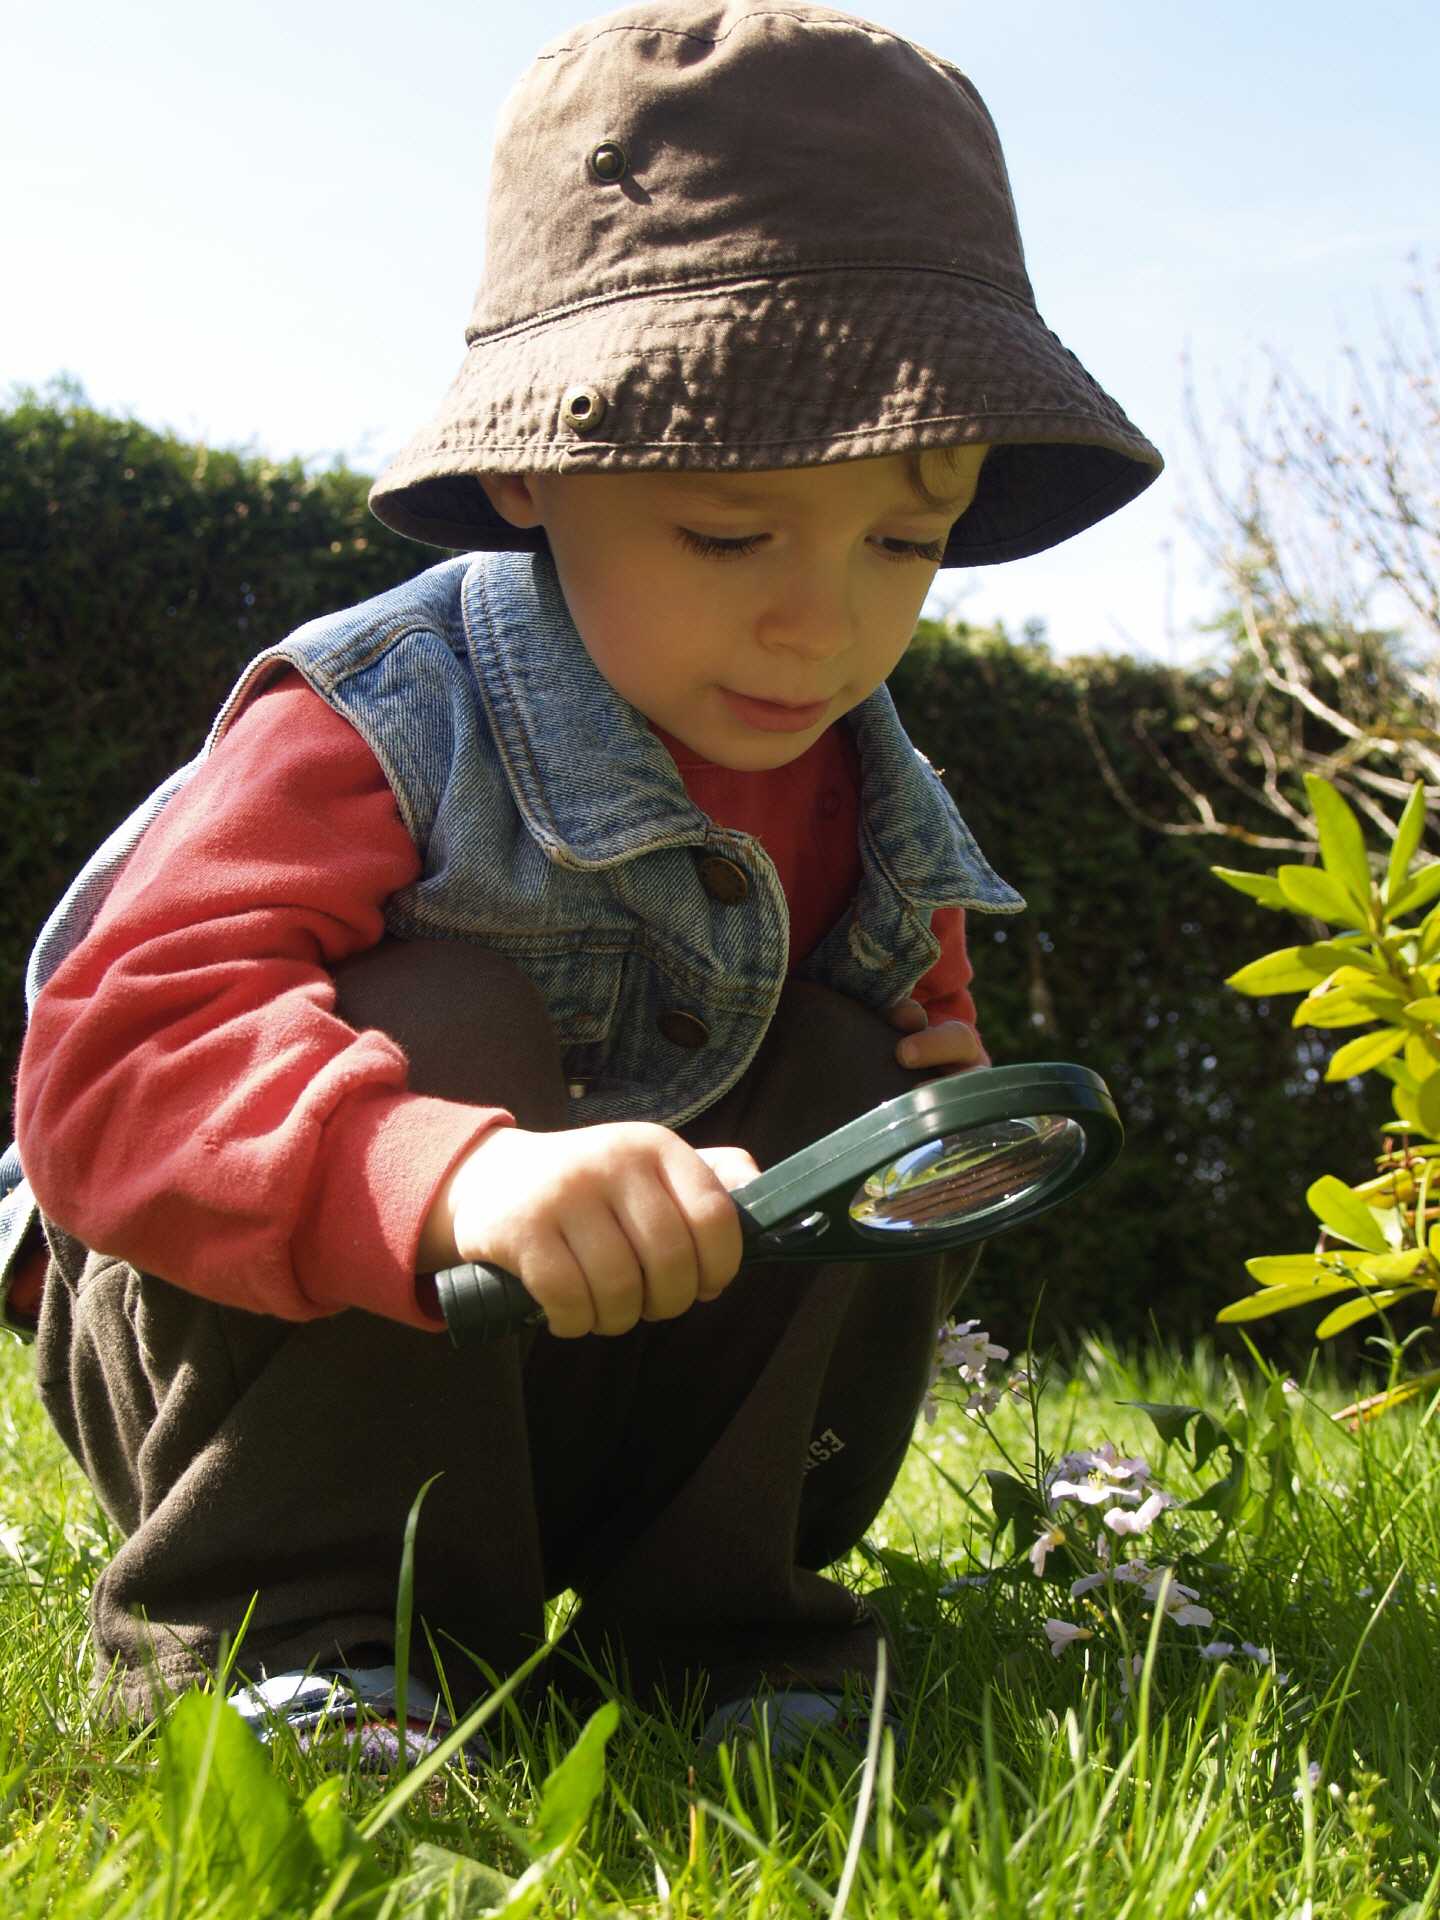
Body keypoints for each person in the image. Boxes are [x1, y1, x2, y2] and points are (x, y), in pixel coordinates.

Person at [3, 0, 1161, 1755]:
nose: (823, 617)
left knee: (844, 1060)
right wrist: (442, 1177)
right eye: (726, 528)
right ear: (537, 463)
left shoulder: (861, 782)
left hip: (579, 1387)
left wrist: (926, 1074)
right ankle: (316, 1626)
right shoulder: (378, 729)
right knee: (447, 1001)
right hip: (229, 1351)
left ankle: (709, 1625)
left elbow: (914, 998)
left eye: (907, 537)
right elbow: (104, 1077)